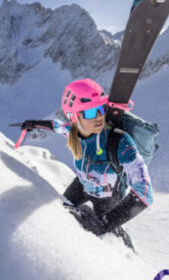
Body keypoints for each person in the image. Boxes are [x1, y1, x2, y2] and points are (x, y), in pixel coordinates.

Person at [22, 79, 153, 245]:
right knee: (59, 212)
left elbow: (145, 193)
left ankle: (128, 249)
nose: (98, 117)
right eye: (90, 112)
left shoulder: (120, 141)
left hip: (108, 199)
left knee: (110, 242)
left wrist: (103, 224)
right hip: (81, 186)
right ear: (74, 117)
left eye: (101, 109)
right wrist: (34, 124)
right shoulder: (73, 132)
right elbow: (58, 126)